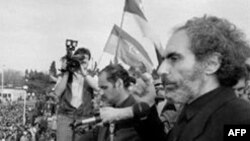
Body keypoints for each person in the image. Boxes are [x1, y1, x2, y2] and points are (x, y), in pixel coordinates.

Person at [100, 15, 250, 141]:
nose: (161, 70)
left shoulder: (239, 120)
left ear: (211, 64)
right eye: (165, 59)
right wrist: (147, 107)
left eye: (174, 58)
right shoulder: (192, 109)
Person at [54, 47, 99, 141]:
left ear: (89, 63)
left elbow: (98, 88)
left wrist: (84, 74)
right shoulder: (65, 75)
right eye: (79, 61)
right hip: (65, 115)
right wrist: (66, 72)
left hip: (84, 116)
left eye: (84, 62)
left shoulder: (92, 76)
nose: (81, 64)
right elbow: (57, 92)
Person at [97, 64, 142, 141]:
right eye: (100, 88)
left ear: (119, 84)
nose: (101, 93)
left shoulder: (137, 114)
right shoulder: (110, 109)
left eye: (104, 88)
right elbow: (95, 134)